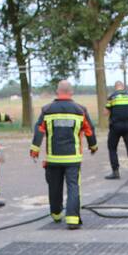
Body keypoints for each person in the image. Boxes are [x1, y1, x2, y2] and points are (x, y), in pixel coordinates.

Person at [30, 80, 98, 230]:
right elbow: (89, 130)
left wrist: (34, 150)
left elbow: (39, 130)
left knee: (54, 186)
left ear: (57, 92)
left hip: (53, 158)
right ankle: (73, 219)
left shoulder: (47, 110)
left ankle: (55, 214)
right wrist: (93, 146)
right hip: (73, 158)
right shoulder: (80, 110)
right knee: (73, 186)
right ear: (71, 92)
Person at [104, 80, 128, 180]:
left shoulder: (112, 97)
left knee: (112, 148)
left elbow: (105, 113)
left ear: (115, 87)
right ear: (123, 87)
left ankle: (115, 172)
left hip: (115, 127)